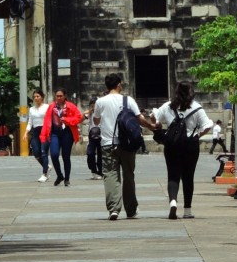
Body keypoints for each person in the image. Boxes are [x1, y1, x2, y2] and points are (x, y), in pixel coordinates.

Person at [92, 73, 156, 220]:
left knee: (110, 175)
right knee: (129, 175)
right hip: (127, 144)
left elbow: (96, 122)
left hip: (108, 144)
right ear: (119, 84)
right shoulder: (128, 100)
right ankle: (131, 209)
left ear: (106, 86)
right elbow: (140, 119)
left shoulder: (100, 102)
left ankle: (114, 209)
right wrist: (151, 126)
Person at [151, 82, 214, 219]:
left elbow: (155, 119)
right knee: (188, 177)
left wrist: (159, 126)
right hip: (191, 145)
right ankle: (187, 210)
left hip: (172, 144)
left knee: (173, 175)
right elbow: (208, 125)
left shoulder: (168, 106)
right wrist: (197, 135)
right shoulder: (197, 108)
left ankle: (173, 201)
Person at [41, 89, 83, 187]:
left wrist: (66, 120)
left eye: (61, 96)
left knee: (66, 156)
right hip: (55, 133)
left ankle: (67, 178)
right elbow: (46, 121)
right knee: (54, 155)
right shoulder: (52, 107)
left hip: (67, 133)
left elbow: (78, 118)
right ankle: (60, 175)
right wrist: (44, 134)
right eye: (57, 96)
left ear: (65, 96)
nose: (59, 98)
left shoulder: (71, 106)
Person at [28, 90, 50, 182]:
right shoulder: (31, 109)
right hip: (36, 132)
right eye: (34, 97)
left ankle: (44, 174)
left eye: (38, 96)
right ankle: (47, 166)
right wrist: (26, 132)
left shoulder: (47, 107)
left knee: (44, 152)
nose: (36, 98)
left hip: (45, 131)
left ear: (42, 97)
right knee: (36, 153)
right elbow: (30, 122)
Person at [85, 99, 102, 179]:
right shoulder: (90, 112)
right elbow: (82, 117)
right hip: (91, 135)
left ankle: (100, 171)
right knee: (90, 153)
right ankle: (93, 170)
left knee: (101, 154)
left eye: (94, 105)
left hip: (101, 134)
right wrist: (89, 111)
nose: (93, 106)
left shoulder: (102, 111)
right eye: (92, 105)